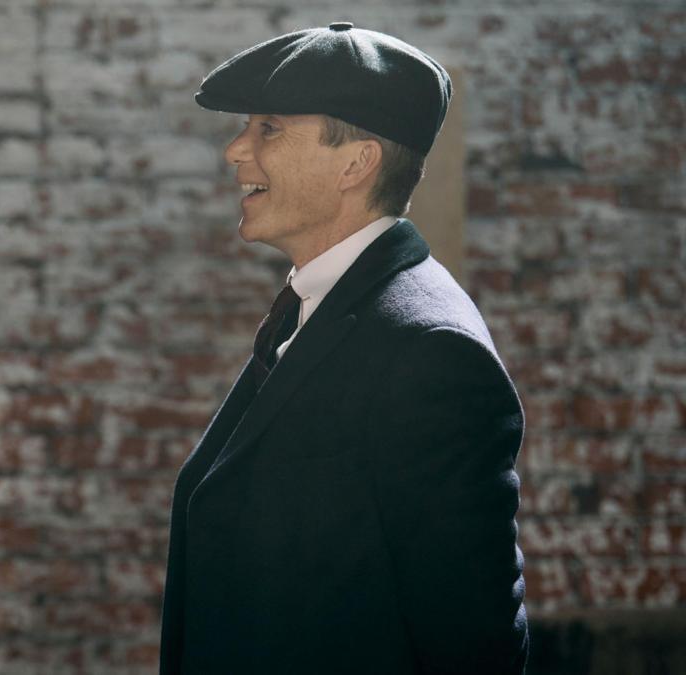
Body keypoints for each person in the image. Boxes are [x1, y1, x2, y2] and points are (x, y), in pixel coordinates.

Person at [159, 22, 528, 674]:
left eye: (269, 129)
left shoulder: (430, 351)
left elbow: (476, 644)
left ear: (356, 163)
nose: (235, 150)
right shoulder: (317, 304)